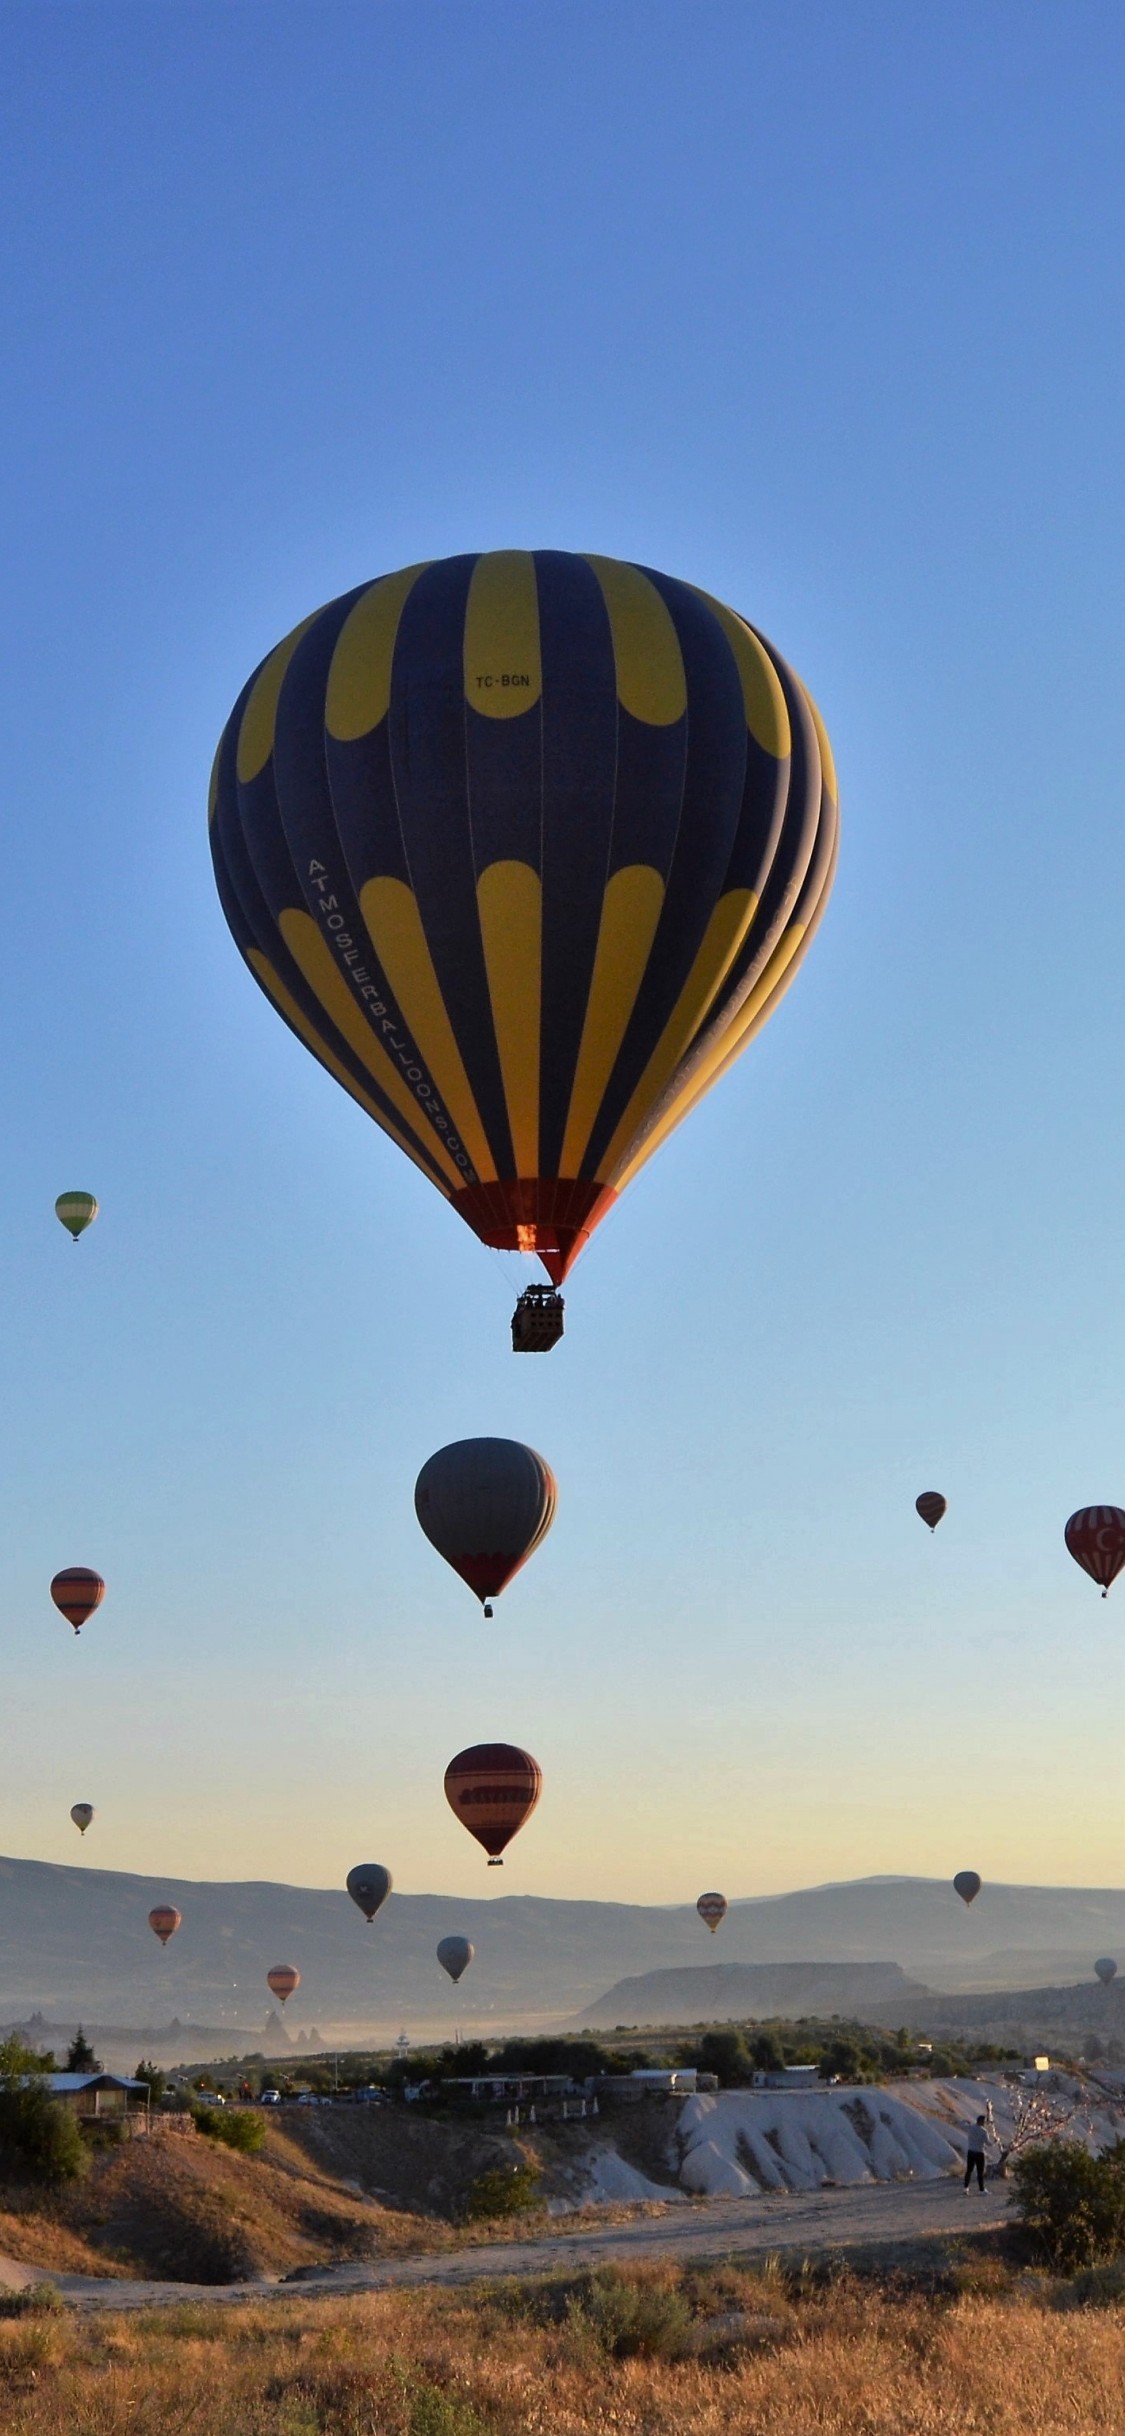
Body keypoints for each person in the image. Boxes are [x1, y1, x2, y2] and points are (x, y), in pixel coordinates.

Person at [964, 2116, 989, 2191]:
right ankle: (981, 2188)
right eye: (984, 2121)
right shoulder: (984, 2131)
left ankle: (966, 2187)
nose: (985, 2123)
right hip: (979, 2153)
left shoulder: (971, 2128)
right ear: (981, 2121)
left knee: (969, 2170)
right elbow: (988, 2143)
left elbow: (963, 2125)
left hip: (971, 2151)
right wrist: (995, 2142)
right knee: (980, 2172)